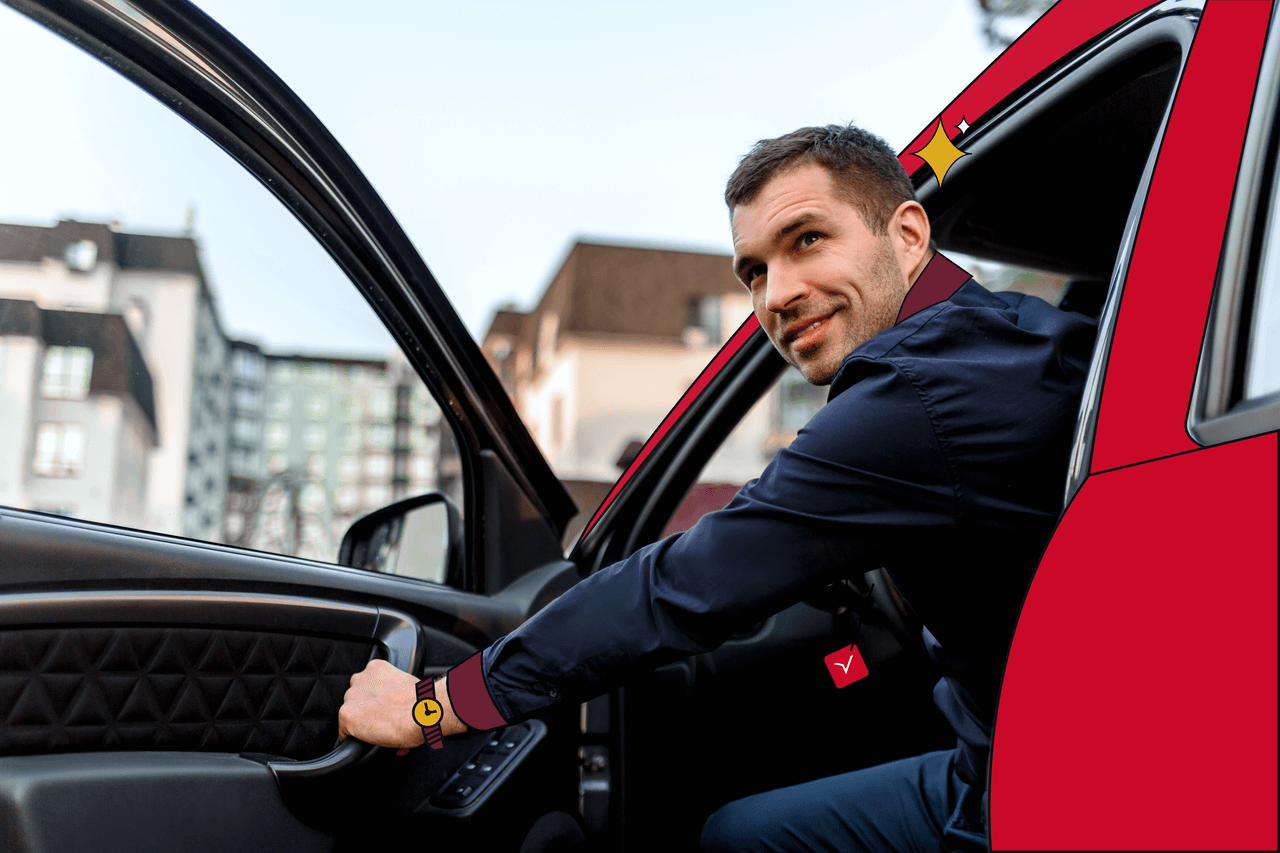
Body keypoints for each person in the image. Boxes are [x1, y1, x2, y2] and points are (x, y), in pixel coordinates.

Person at [338, 124, 1097, 852]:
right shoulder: (1020, 333)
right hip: (1014, 752)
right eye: (754, 271)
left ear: (906, 234)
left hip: (1024, 794)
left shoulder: (914, 396)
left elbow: (677, 588)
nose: (777, 294)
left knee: (735, 837)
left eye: (807, 239)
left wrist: (434, 707)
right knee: (739, 832)